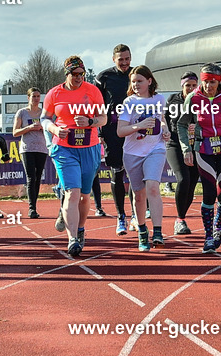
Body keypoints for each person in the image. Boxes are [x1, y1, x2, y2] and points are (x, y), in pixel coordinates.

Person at [177, 64, 221, 254]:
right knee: (209, 193)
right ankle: (208, 237)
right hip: (203, 149)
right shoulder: (193, 98)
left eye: (212, 82)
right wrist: (186, 149)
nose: (208, 86)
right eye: (205, 82)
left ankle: (218, 225)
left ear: (219, 81)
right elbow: (181, 125)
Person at [42, 55, 107, 257]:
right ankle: (72, 239)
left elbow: (103, 118)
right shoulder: (55, 94)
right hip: (64, 148)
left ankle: (80, 228)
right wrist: (54, 129)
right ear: (67, 74)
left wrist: (89, 122)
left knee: (85, 196)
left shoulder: (93, 91)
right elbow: (44, 118)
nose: (79, 78)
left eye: (82, 74)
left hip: (89, 147)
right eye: (75, 74)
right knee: (73, 192)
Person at [117, 66, 170, 252]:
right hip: (133, 152)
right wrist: (138, 126)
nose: (136, 85)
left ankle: (157, 231)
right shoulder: (129, 102)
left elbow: (161, 119)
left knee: (153, 187)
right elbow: (120, 131)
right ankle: (141, 230)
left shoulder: (159, 99)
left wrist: (165, 129)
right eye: (133, 82)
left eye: (139, 81)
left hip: (155, 148)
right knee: (138, 195)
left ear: (149, 81)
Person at [95, 44, 133, 234]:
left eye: (127, 59)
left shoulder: (138, 74)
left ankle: (137, 215)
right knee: (117, 172)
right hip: (112, 131)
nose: (125, 63)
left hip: (135, 130)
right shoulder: (103, 77)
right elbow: (97, 107)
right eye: (121, 60)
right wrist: (101, 133)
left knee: (136, 174)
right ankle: (121, 216)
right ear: (113, 60)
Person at [165, 72, 199, 235]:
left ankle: (182, 217)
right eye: (188, 86)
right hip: (175, 144)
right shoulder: (173, 100)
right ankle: (180, 220)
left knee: (192, 184)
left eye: (194, 85)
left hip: (195, 145)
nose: (191, 89)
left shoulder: (201, 100)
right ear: (182, 85)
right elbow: (164, 120)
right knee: (183, 179)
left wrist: (196, 127)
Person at [12, 88, 46, 218]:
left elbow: (50, 130)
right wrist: (29, 128)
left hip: (42, 148)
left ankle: (35, 205)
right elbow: (15, 132)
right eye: (33, 96)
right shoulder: (22, 113)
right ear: (28, 98)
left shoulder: (44, 113)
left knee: (37, 178)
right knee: (31, 177)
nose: (36, 99)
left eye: (38, 96)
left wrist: (42, 128)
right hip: (27, 148)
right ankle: (32, 208)